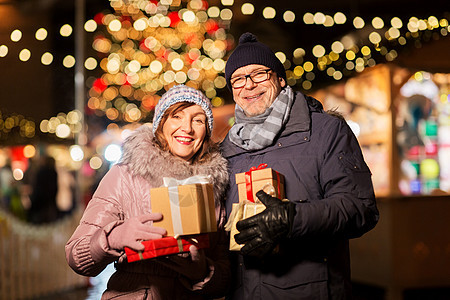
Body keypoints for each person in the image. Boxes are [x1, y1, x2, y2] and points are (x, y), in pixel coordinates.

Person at [221, 32, 379, 299]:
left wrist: (292, 218)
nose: (248, 85)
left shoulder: (325, 131)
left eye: (259, 74)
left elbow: (360, 207)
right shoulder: (228, 148)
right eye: (238, 78)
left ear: (280, 80)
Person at [66, 84, 230, 299]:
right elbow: (76, 258)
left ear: (206, 130)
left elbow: (227, 276)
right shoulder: (125, 175)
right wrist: (114, 237)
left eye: (198, 120)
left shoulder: (213, 186)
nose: (187, 128)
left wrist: (202, 272)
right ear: (161, 124)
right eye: (176, 116)